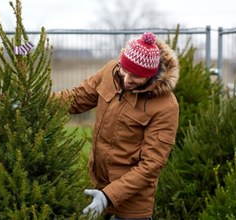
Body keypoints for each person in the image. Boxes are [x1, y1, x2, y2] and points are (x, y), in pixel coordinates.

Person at [55, 32, 179, 219]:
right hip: (96, 186)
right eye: (125, 70)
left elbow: (151, 165)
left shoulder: (166, 106)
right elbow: (77, 98)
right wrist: (35, 101)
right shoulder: (110, 72)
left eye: (136, 76)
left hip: (131, 206)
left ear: (151, 76)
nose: (127, 79)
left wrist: (108, 196)